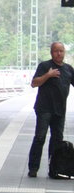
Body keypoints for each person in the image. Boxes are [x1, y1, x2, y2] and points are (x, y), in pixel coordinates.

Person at [28, 41, 74, 178]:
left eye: (61, 51)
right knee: (40, 137)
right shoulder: (45, 66)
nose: (59, 53)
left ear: (64, 53)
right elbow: (34, 83)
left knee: (57, 140)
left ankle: (54, 169)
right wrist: (48, 75)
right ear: (51, 52)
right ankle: (33, 168)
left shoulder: (68, 69)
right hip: (44, 109)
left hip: (60, 110)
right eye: (56, 51)